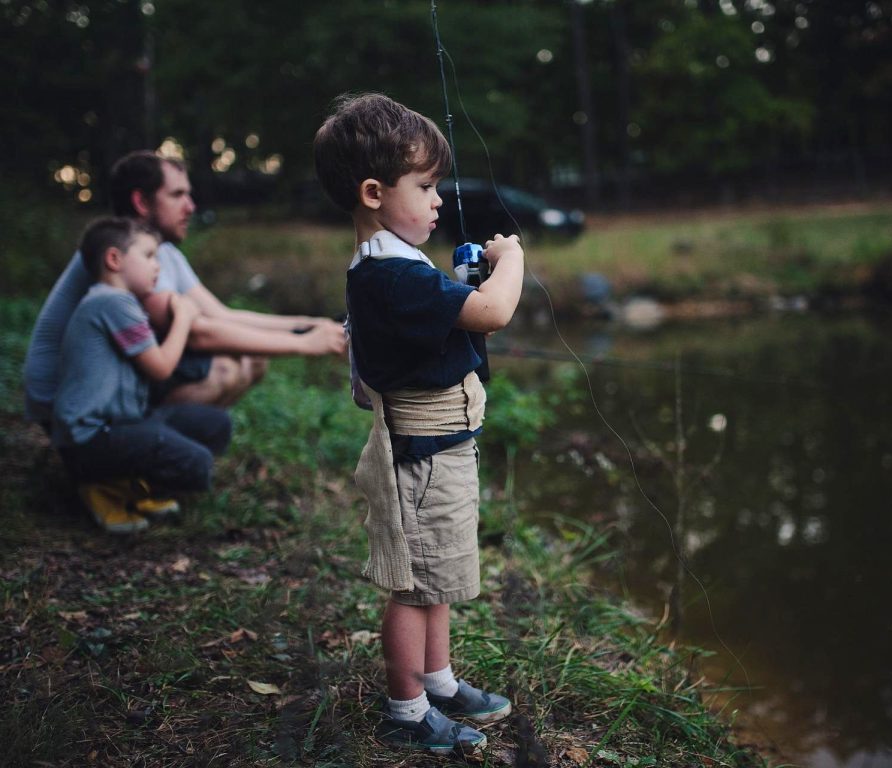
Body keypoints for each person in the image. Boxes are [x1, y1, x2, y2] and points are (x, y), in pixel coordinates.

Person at [313, 92, 525, 756]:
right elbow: (491, 313)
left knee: (437, 578)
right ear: (374, 191)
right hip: (424, 456)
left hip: (442, 447)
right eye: (426, 185)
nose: (439, 199)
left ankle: (437, 679)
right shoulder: (389, 275)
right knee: (413, 588)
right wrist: (510, 260)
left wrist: (462, 281)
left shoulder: (395, 267)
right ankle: (406, 709)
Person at [23, 150, 349, 425]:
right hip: (64, 402)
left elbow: (221, 315)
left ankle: (164, 455)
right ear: (141, 201)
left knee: (252, 358)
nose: (191, 207)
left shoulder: (160, 252)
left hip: (109, 382)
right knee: (225, 367)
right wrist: (307, 345)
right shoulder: (126, 260)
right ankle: (135, 463)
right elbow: (199, 333)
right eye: (177, 195)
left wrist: (308, 324)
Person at [52, 217, 232, 534]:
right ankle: (103, 488)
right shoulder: (112, 301)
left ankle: (128, 483)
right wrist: (185, 317)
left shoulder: (117, 302)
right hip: (89, 440)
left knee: (217, 425)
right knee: (197, 463)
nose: (157, 267)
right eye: (149, 256)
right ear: (114, 260)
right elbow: (162, 366)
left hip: (122, 425)